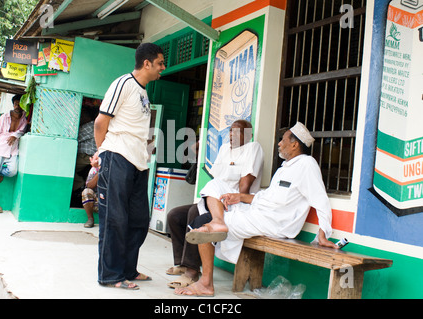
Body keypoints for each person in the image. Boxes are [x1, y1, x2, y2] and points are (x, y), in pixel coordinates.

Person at [175, 122, 338, 297]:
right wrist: (240, 197)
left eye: (282, 140)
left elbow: (321, 200)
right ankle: (218, 221)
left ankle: (205, 283)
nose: (279, 143)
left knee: (202, 222)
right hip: (259, 214)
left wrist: (323, 233)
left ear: (295, 144)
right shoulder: (285, 168)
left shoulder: (307, 164)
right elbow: (267, 197)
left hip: (274, 222)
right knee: (214, 185)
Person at [93, 43, 165, 290]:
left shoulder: (143, 92)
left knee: (138, 220)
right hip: (117, 157)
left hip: (138, 164)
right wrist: (102, 151)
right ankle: (111, 275)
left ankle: (128, 270)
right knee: (114, 219)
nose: (162, 69)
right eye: (160, 64)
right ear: (147, 63)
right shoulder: (123, 84)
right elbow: (100, 122)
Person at [166, 119, 264, 289]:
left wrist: (228, 200)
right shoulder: (225, 149)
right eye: (231, 131)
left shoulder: (253, 148)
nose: (232, 135)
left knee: (194, 214)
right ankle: (181, 263)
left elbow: (245, 186)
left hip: (232, 204)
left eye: (238, 132)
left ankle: (192, 270)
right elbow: (216, 179)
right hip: (215, 200)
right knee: (174, 215)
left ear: (248, 135)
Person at [0, 94, 27, 214]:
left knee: (13, 171)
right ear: (13, 104)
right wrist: (0, 144)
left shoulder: (23, 119)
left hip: (12, 150)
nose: (18, 106)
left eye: (20, 104)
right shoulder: (4, 117)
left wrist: (14, 136)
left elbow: (21, 131)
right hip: (0, 148)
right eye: (16, 103)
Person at [73, 107, 97, 192]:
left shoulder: (90, 125)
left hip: (86, 156)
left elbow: (75, 138)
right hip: (87, 155)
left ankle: (80, 185)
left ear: (88, 116)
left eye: (83, 115)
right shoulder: (92, 124)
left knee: (67, 166)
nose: (81, 117)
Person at [81, 155, 100, 228]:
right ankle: (90, 219)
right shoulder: (94, 170)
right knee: (86, 191)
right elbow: (89, 185)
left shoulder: (112, 169)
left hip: (108, 203)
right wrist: (100, 171)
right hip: (97, 202)